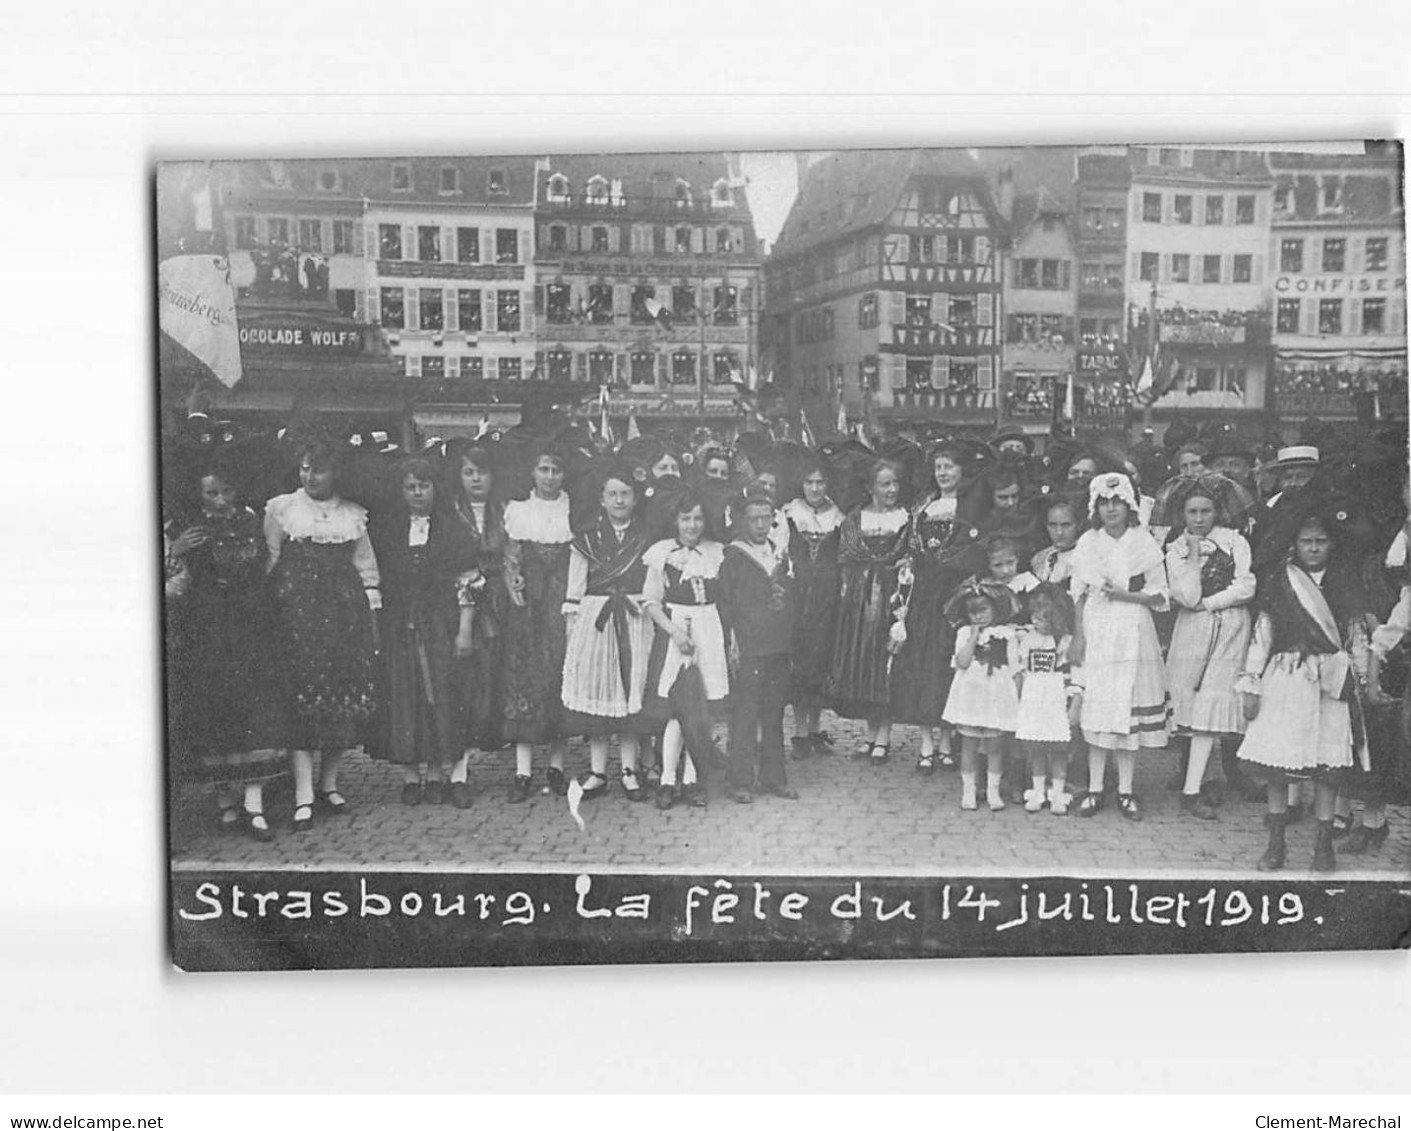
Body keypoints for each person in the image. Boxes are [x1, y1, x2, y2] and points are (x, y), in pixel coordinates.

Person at [1238, 506, 1371, 873]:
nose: (1313, 548)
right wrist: (1250, 682)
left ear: (1331, 544)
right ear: (1295, 544)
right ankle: (1276, 844)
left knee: (1327, 768)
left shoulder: (1345, 580)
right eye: (1306, 542)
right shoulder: (1280, 581)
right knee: (1279, 765)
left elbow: (1357, 635)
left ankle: (1323, 845)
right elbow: (1262, 634)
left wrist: (1360, 679)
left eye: (1321, 542)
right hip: (1286, 679)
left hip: (1330, 684)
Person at [165, 463, 289, 841]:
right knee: (216, 712)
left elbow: (269, 562)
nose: (220, 500)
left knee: (254, 708)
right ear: (199, 495)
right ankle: (225, 805)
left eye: (226, 492)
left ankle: (254, 804)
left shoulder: (253, 521)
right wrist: (177, 550)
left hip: (249, 625)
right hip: (206, 630)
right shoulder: (183, 527)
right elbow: (174, 583)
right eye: (211, 493)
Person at [264, 440, 380, 831]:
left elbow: (366, 568)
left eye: (318, 470)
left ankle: (329, 784)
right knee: (302, 701)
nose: (310, 477)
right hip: (298, 614)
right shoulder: (283, 509)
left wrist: (370, 613)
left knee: (339, 699)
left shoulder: (352, 516)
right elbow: (271, 559)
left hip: (344, 615)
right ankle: (303, 795)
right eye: (305, 468)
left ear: (336, 474)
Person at [368, 456, 479, 808]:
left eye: (424, 485)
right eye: (411, 487)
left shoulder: (452, 528)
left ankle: (446, 774)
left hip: (441, 624)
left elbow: (468, 582)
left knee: (446, 695)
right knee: (407, 696)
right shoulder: (388, 530)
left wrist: (464, 630)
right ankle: (413, 776)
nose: (417, 493)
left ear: (436, 487)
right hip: (400, 625)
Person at [1069, 472, 1171, 822]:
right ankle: (1096, 788)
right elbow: (1079, 595)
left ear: (1129, 506)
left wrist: (1125, 595)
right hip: (1098, 628)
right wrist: (1079, 637)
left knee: (1127, 711)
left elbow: (1159, 593)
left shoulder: (1142, 542)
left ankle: (1126, 790)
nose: (1110, 509)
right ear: (1095, 508)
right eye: (1103, 503)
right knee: (1099, 709)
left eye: (1117, 503)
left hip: (1133, 629)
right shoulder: (1088, 542)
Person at [1163, 477, 1256, 820]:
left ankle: (1198, 788)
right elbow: (1186, 597)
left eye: (1206, 511)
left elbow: (1246, 586)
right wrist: (1190, 554)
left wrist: (1211, 603)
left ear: (1217, 511)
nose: (1199, 518)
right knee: (1192, 705)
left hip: (1231, 625)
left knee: (1213, 707)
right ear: (1183, 513)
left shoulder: (1234, 541)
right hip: (1192, 629)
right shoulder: (1175, 547)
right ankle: (1195, 787)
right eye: (1192, 511)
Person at [561, 465, 655, 801]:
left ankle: (629, 771)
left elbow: (651, 582)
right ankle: (598, 772)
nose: (619, 500)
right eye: (612, 494)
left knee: (629, 694)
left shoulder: (645, 536)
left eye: (625, 493)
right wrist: (575, 633)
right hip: (596, 620)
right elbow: (575, 588)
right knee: (599, 694)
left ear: (635, 498)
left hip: (633, 617)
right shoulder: (585, 539)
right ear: (602, 499)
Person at [890, 442, 983, 771]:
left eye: (949, 467)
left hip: (955, 591)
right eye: (939, 467)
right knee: (922, 665)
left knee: (948, 665)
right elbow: (911, 546)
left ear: (962, 471)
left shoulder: (970, 505)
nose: (943, 473)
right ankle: (926, 743)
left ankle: (947, 742)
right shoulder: (923, 504)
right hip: (925, 593)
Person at [641, 492, 728, 810]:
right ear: (675, 520)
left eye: (698, 518)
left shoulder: (717, 553)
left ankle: (692, 779)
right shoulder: (662, 553)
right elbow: (651, 603)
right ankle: (667, 778)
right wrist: (675, 633)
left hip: (710, 630)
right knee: (678, 710)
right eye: (686, 518)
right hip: (676, 631)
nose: (692, 525)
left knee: (700, 710)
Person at [825, 459, 914, 763]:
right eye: (885, 484)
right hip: (859, 598)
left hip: (891, 597)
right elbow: (846, 556)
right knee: (863, 661)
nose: (891, 489)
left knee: (885, 663)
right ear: (870, 487)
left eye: (895, 483)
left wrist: (904, 565)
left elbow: (910, 553)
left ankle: (884, 737)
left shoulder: (906, 519)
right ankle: (870, 733)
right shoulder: (854, 519)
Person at [500, 443, 574, 802]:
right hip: (528, 607)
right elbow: (511, 559)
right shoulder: (519, 511)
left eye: (555, 471)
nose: (549, 477)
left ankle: (557, 766)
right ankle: (523, 770)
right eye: (543, 470)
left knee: (557, 678)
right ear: (533, 473)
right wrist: (516, 587)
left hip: (560, 607)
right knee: (525, 682)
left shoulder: (573, 510)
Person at [719, 490, 798, 803]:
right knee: (745, 714)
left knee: (774, 713)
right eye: (754, 519)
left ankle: (773, 778)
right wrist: (733, 642)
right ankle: (739, 780)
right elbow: (726, 605)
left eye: (766, 518)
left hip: (777, 646)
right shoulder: (734, 558)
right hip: (750, 646)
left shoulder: (779, 553)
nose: (761, 525)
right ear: (742, 521)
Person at [443, 441, 507, 809]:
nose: (476, 478)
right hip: (459, 606)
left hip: (500, 605)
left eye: (482, 471)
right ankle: (458, 772)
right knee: (462, 686)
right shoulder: (451, 512)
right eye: (469, 472)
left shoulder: (504, 511)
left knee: (494, 683)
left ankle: (519, 767)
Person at [781, 460, 845, 758]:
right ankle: (799, 732)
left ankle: (816, 728)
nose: (815, 488)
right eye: (810, 482)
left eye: (820, 482)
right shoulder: (788, 514)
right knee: (800, 662)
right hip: (798, 595)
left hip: (827, 596)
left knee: (821, 662)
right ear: (801, 485)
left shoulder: (839, 517)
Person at [941, 583, 1021, 811]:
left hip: (996, 695)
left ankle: (994, 791)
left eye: (984, 610)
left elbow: (1015, 669)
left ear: (994, 609)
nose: (979, 616)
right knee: (969, 745)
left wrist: (1014, 701)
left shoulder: (1007, 634)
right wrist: (973, 638)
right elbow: (962, 662)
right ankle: (969, 791)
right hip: (971, 696)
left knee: (995, 747)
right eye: (973, 612)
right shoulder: (964, 633)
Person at [1014, 584, 1080, 815]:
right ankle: (1038, 790)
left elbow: (1070, 673)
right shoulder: (1027, 639)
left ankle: (1058, 793)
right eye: (1033, 616)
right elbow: (1022, 669)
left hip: (1054, 697)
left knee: (1058, 749)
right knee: (1037, 747)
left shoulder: (1064, 642)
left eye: (1042, 618)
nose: (1035, 621)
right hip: (1034, 697)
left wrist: (1071, 699)